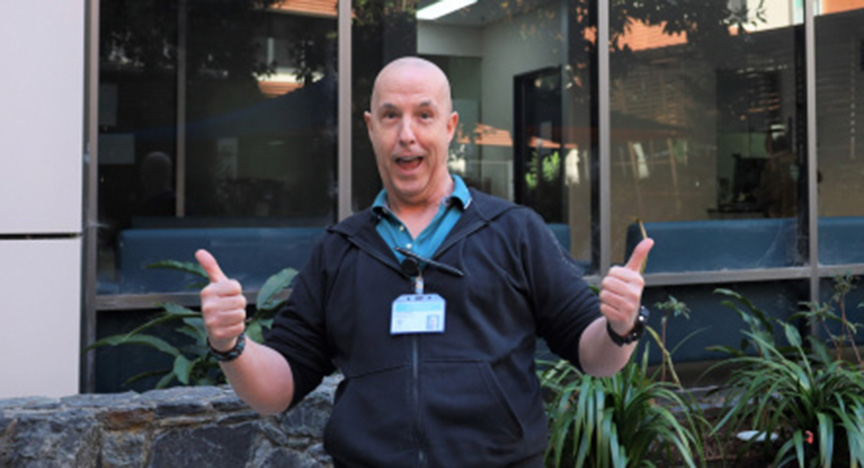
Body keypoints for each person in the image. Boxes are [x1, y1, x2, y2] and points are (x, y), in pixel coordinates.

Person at [196, 56, 653, 467]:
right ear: (371, 127)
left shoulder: (515, 231)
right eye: (391, 116)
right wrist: (232, 345)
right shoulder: (339, 250)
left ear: (450, 126)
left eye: (424, 115)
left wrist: (620, 326)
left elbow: (594, 355)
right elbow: (278, 391)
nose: (406, 134)